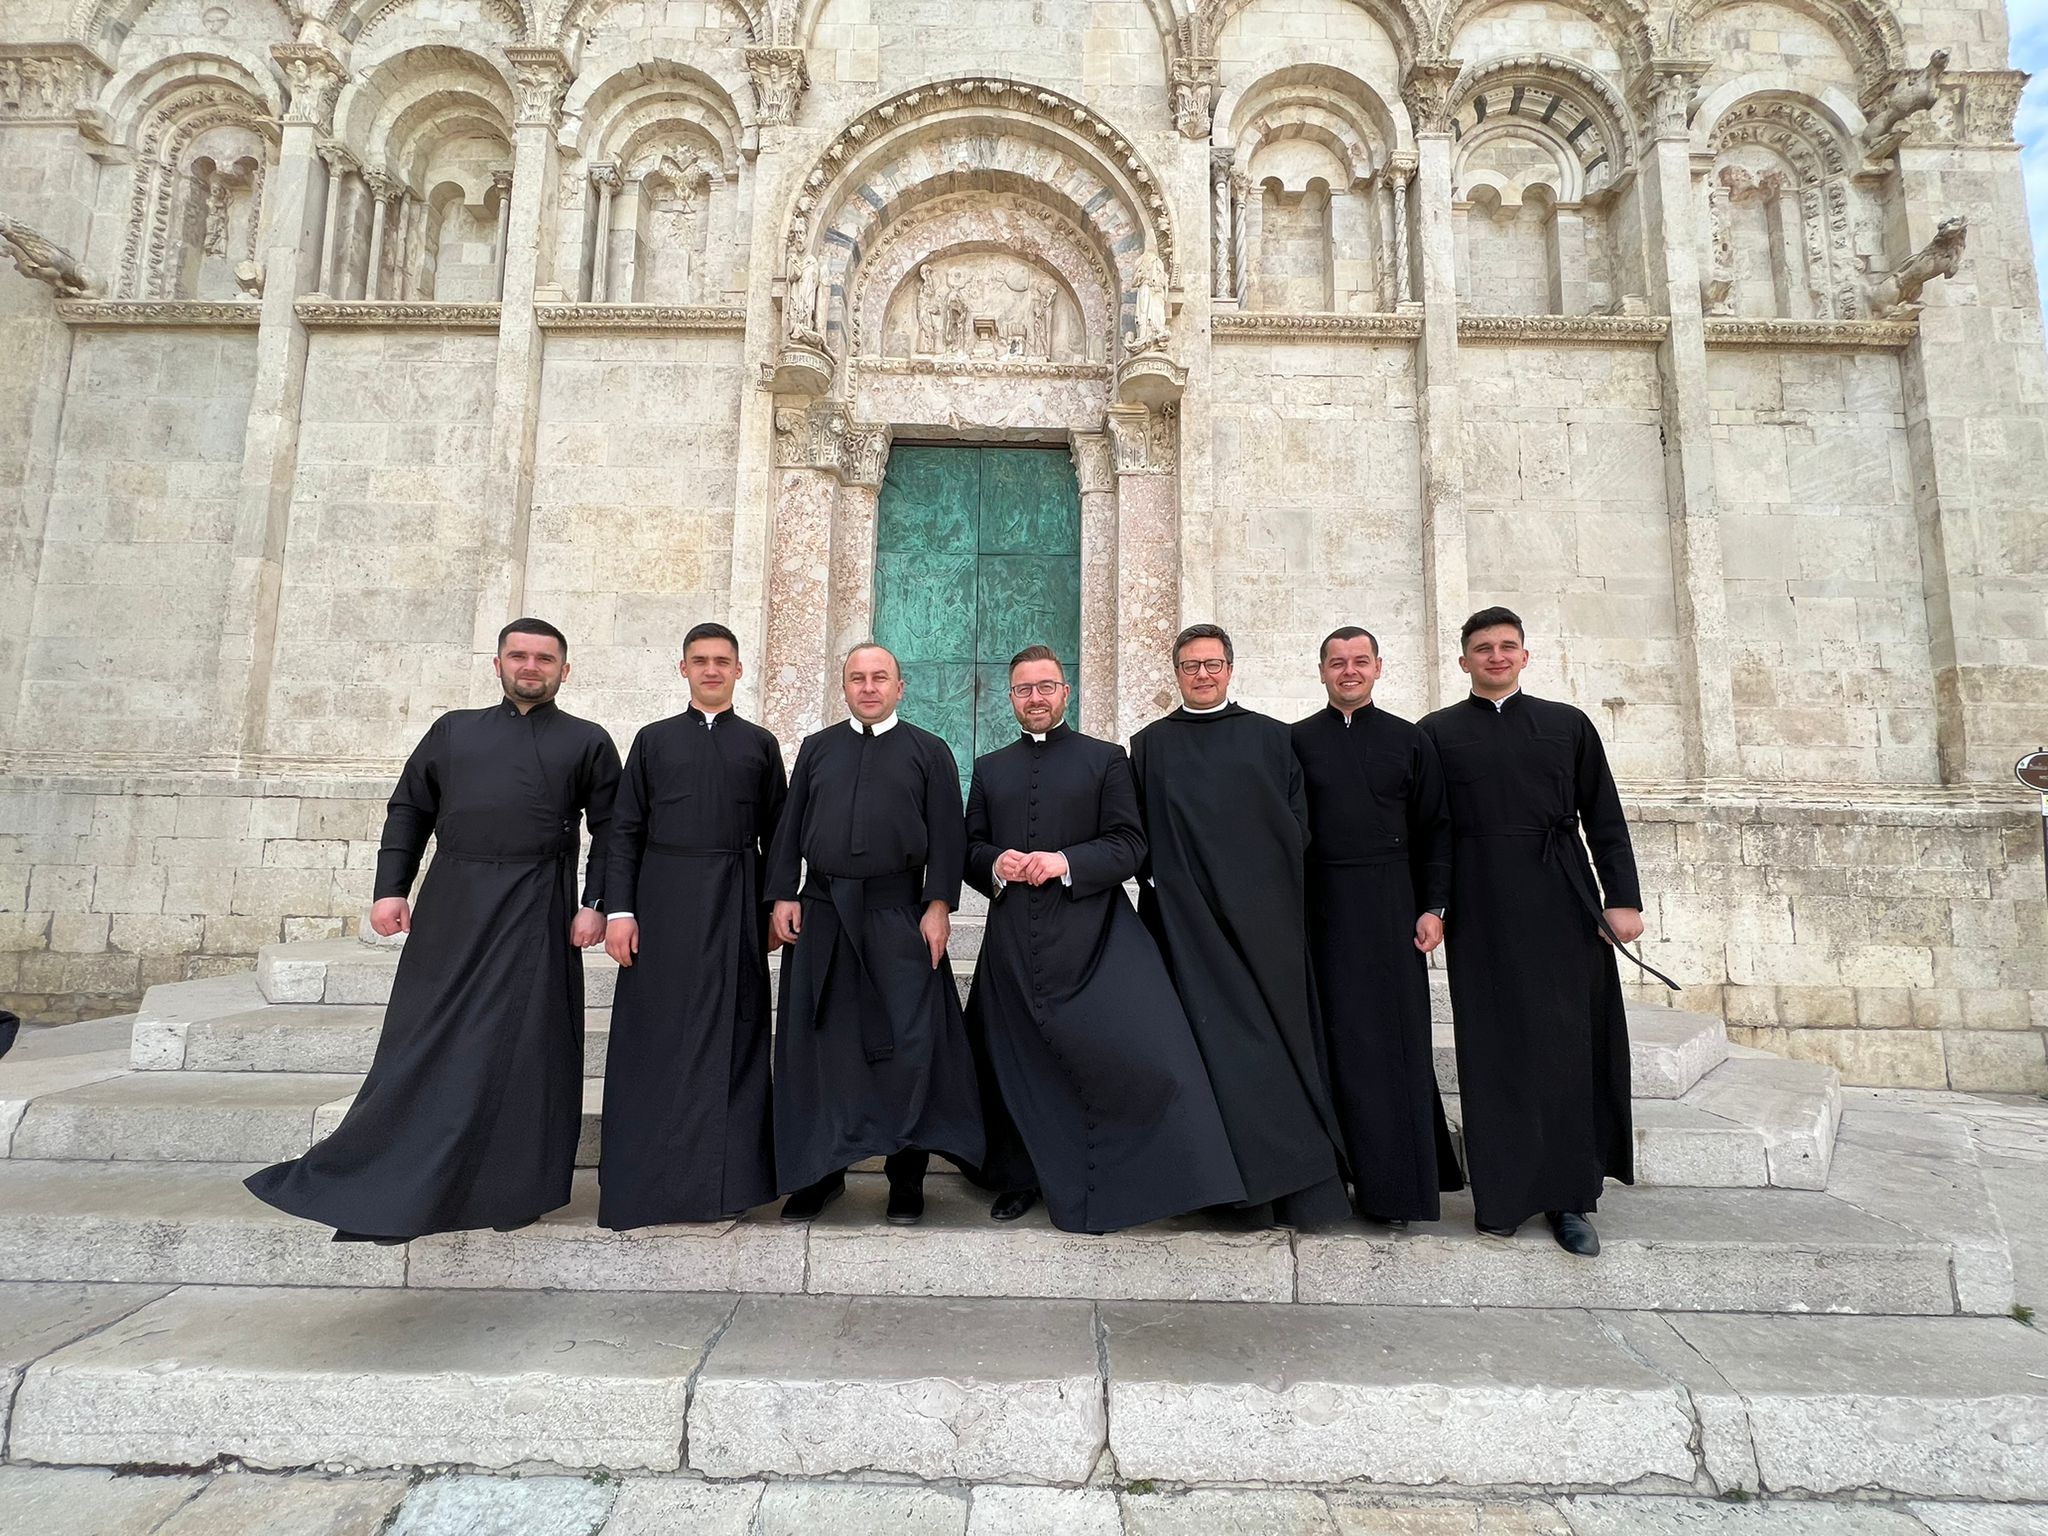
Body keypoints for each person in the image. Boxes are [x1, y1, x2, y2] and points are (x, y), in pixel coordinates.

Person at [247, 619, 620, 1243]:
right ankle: (396, 1173)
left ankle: (515, 1188)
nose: (532, 667)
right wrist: (390, 888)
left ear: (565, 670)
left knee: (530, 1044)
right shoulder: (453, 731)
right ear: (496, 664)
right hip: (454, 897)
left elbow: (612, 830)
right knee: (428, 1032)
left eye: (545, 659)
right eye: (519, 656)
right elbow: (410, 808)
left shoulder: (588, 741)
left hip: (539, 904)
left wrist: (596, 902)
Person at [1419, 606, 1678, 1257]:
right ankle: (1501, 1198)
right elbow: (1434, 832)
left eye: (1508, 647)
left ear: (1526, 657)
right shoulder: (1437, 734)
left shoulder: (1568, 726)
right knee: (1494, 1051)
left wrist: (1622, 899)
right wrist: (1435, 905)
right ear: (1464, 662)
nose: (1496, 657)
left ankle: (1569, 1201)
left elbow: (1605, 815)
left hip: (1564, 902)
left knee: (1567, 1051)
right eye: (1483, 648)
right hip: (1482, 912)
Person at [961, 646, 1244, 1232]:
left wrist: (1063, 860)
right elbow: (970, 849)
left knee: (1137, 1054)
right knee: (1014, 1060)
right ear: (1010, 698)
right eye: (1023, 690)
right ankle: (1020, 1177)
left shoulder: (1106, 759)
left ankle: (1145, 1174)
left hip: (1093, 936)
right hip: (1013, 939)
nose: (1035, 698)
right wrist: (998, 863)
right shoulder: (989, 768)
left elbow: (1129, 844)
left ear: (1066, 692)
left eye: (1045, 687)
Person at [1128, 623, 1351, 1228]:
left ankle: (1295, 1188)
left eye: (1213, 664)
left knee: (1275, 1051)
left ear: (1230, 668)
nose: (1202, 674)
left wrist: (1254, 892)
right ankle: (1220, 1193)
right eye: (1191, 665)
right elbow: (1141, 836)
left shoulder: (1273, 739)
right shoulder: (1148, 746)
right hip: (1186, 928)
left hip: (1265, 926)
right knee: (1202, 1056)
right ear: (1175, 673)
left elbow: (1296, 827)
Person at [765, 644, 982, 1225]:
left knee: (909, 1047)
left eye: (879, 677)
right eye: (857, 678)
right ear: (844, 687)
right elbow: (789, 829)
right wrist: (784, 892)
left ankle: (905, 1177)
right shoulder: (816, 749)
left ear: (899, 686)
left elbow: (947, 838)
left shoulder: (929, 752)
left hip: (899, 914)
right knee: (822, 1044)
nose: (868, 687)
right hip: (824, 914)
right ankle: (820, 1173)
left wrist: (939, 906)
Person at [597, 623, 787, 1229]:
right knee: (656, 1036)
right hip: (662, 903)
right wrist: (619, 911)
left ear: (738, 670)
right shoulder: (651, 742)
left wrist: (772, 908)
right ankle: (647, 1184)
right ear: (682, 669)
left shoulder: (760, 745)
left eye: (722, 662)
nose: (711, 670)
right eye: (700, 661)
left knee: (735, 1037)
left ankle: (729, 1185)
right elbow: (623, 830)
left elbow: (779, 839)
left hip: (735, 902)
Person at [1291, 626, 1463, 1225]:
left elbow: (1437, 828)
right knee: (1330, 1039)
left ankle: (1395, 1189)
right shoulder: (1295, 742)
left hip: (1392, 904)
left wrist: (1433, 906)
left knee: (1391, 1042)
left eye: (1359, 661)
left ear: (1378, 668)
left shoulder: (1409, 740)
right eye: (1337, 663)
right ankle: (1332, 1175)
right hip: (1319, 904)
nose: (1349, 671)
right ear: (1321, 672)